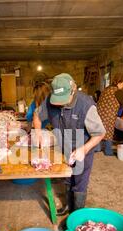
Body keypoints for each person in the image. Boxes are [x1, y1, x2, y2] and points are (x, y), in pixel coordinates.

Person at [33, 73, 105, 216]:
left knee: (79, 181)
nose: (59, 104)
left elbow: (100, 133)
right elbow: (37, 115)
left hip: (82, 149)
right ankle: (68, 206)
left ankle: (76, 216)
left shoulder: (86, 105)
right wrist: (38, 134)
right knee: (67, 178)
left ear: (73, 90)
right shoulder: (49, 101)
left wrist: (84, 149)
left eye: (63, 100)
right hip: (63, 148)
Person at [96, 74, 123, 156]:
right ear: (118, 83)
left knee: (100, 131)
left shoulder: (107, 89)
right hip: (108, 115)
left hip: (99, 113)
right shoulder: (117, 91)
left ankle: (97, 148)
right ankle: (108, 152)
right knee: (109, 132)